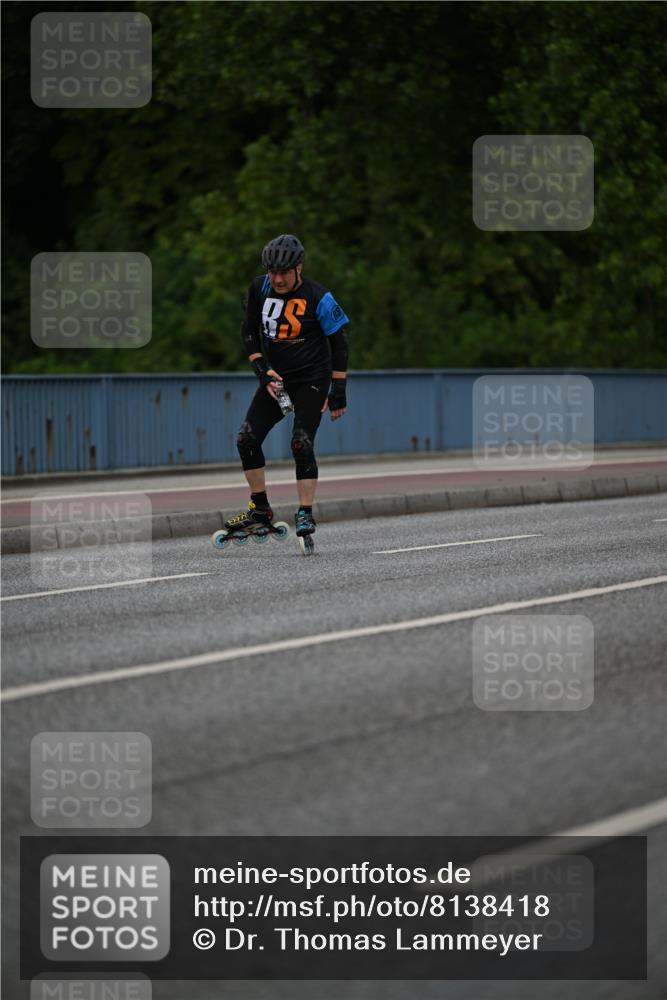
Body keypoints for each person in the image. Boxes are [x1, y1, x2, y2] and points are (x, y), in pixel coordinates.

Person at [225, 233, 349, 546]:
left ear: (299, 268)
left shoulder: (319, 297)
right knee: (246, 439)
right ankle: (260, 510)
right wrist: (262, 370)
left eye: (284, 272)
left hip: (311, 380)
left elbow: (340, 343)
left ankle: (305, 511)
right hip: (278, 380)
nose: (277, 279)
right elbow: (249, 328)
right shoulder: (259, 288)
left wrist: (338, 390)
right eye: (272, 272)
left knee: (300, 442)